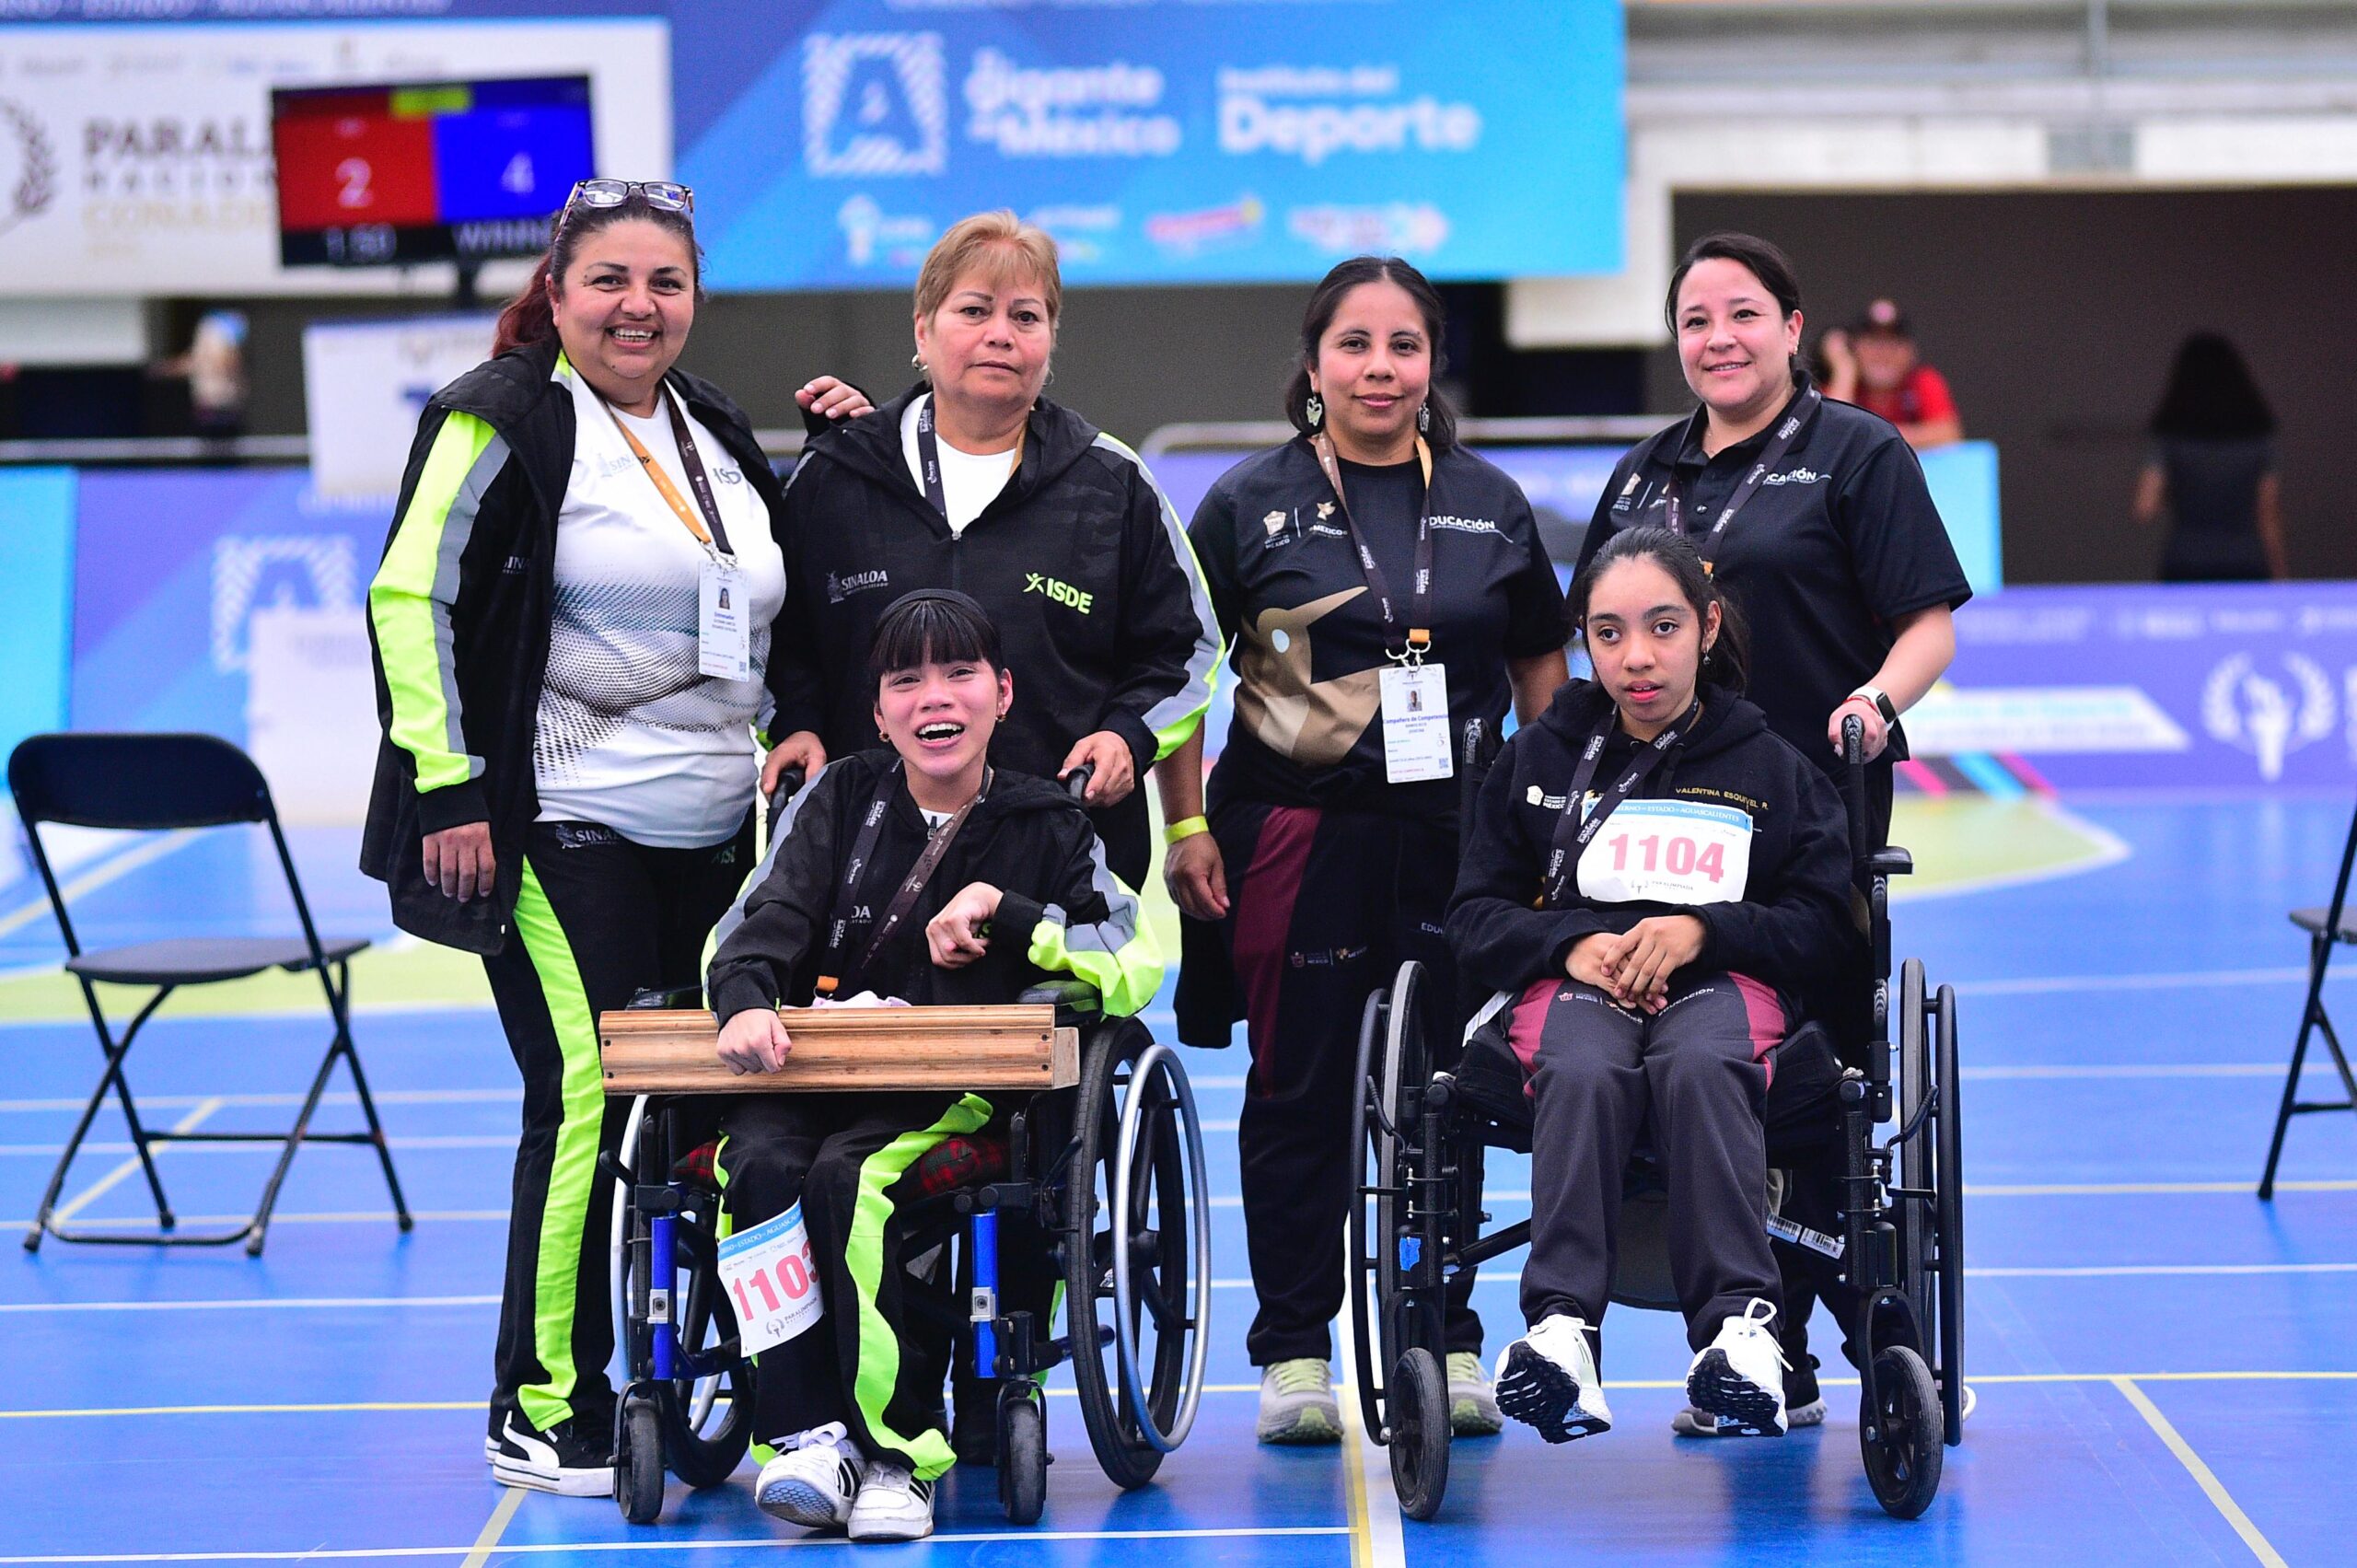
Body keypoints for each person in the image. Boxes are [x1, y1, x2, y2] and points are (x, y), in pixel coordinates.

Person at [360, 178, 870, 1496]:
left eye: (666, 284)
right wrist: (451, 785)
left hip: (718, 836)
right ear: (562, 287)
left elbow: (788, 613)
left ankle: (724, 1379)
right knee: (592, 1089)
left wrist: (803, 719)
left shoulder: (707, 425)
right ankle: (541, 1398)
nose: (639, 307)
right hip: (551, 822)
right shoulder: (501, 415)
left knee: (715, 1106)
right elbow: (409, 595)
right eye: (612, 281)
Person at [1160, 255, 1572, 1444]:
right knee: (1297, 1089)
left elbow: (1545, 670)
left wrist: (1548, 817)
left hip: (1460, 840)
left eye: (1404, 345)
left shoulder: (1492, 504)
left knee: (1452, 1084)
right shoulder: (1248, 503)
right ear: (1316, 360)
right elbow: (1184, 677)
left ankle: (1443, 1328)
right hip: (1297, 832)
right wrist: (1186, 821)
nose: (1381, 368)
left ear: (1433, 362)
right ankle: (1293, 1345)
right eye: (1356, 344)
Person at [1573, 233, 1969, 1432]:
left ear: (1794, 328)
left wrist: (1877, 701)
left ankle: (1818, 1328)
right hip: (1660, 830)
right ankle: (1753, 1343)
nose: (1720, 339)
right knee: (1669, 1044)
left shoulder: (1859, 451)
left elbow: (1927, 625)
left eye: (1743, 314)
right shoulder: (1644, 476)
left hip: (1805, 819)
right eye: (1695, 321)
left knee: (1805, 1080)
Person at [705, 589, 1161, 1543]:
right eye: (905, 680)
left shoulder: (1048, 823)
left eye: (957, 673)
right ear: (877, 712)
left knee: (852, 1179)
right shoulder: (838, 800)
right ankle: (809, 1436)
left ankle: (896, 1451)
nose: (932, 697)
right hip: (814, 1075)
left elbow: (1132, 961)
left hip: (960, 1095)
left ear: (1001, 690)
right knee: (755, 1165)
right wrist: (745, 997)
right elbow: (756, 925)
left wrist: (1015, 913)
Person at [1450, 526, 1856, 1445]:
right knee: (1583, 1065)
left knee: (1703, 1061)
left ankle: (1740, 1332)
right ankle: (1559, 1335)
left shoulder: (1771, 766)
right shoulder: (1537, 761)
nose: (1636, 656)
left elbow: (1825, 925)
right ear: (1583, 643)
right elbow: (1473, 916)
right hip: (1578, 987)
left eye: (1662, 626)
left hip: (1721, 983)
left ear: (1707, 626)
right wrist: (1571, 944)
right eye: (1608, 632)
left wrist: (1702, 928)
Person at [760, 210, 1222, 891]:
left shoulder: (1111, 483)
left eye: (1026, 317)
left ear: (1050, 339)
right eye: (974, 310)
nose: (1000, 335)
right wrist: (794, 724)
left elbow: (1188, 651)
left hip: (1060, 869)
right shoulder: (836, 476)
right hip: (859, 869)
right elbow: (776, 634)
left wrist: (1127, 734)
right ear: (923, 328)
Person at [2134, 332, 2285, 582]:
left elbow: (2144, 508)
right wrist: (2280, 574)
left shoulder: (2171, 436)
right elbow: (2267, 513)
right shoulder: (2257, 435)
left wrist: (2183, 492)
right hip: (2246, 560)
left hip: (2186, 561)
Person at [1818, 297, 1962, 449]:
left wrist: (1865, 436)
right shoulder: (1842, 385)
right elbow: (1830, 434)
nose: (1883, 354)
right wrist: (1844, 371)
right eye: (1873, 342)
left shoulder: (1922, 380)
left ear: (1911, 352)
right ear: (1853, 348)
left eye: (1893, 343)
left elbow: (1948, 434)